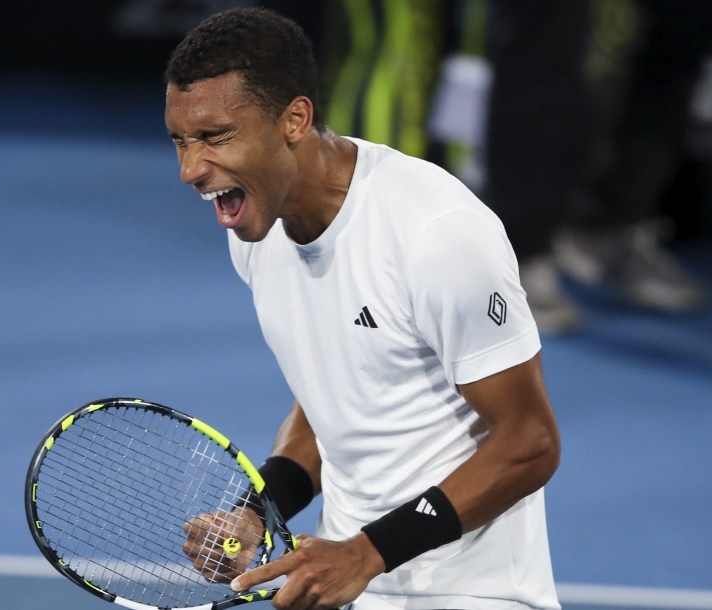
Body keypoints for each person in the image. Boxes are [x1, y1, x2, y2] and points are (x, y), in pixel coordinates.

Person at [164, 8, 561, 610]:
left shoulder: (435, 233)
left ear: (295, 119)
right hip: (355, 589)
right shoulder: (254, 227)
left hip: (474, 595)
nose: (191, 169)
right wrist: (258, 511)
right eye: (180, 140)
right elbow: (333, 398)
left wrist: (367, 552)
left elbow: (530, 440)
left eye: (216, 137)